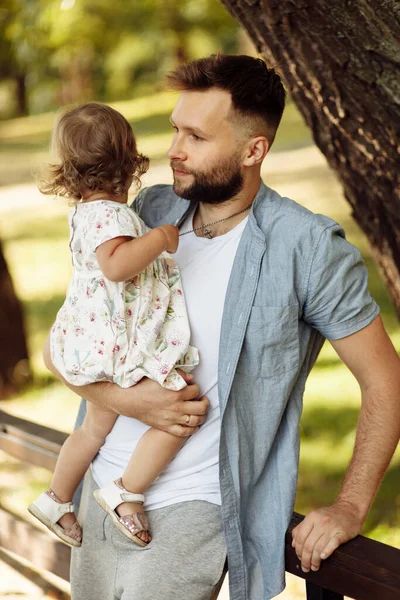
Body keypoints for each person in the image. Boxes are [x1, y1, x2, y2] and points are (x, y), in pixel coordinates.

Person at [43, 54, 400, 600]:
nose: (174, 150)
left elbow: (385, 379)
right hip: (95, 489)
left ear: (254, 149)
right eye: (174, 130)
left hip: (189, 508)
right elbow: (73, 342)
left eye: (197, 137)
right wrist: (129, 402)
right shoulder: (147, 210)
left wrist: (350, 505)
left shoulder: (305, 248)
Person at [29, 102, 199, 549]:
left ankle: (57, 498)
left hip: (89, 334)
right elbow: (116, 266)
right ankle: (128, 492)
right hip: (114, 340)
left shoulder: (84, 213)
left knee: (92, 429)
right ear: (128, 162)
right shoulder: (112, 215)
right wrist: (158, 238)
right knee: (180, 409)